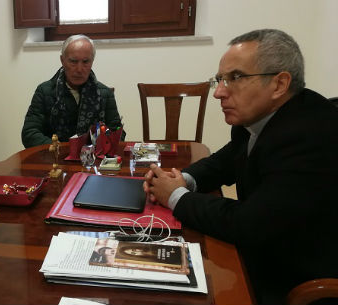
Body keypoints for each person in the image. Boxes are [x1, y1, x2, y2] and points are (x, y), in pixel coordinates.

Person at [143, 29, 338, 304]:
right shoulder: (261, 118)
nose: (219, 92)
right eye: (220, 79)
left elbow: (248, 224)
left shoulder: (308, 136)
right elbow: (225, 160)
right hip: (265, 250)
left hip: (295, 281)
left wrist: (175, 196)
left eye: (235, 78)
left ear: (279, 84)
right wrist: (183, 178)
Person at [21, 34, 124, 148]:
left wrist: (101, 143)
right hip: (55, 159)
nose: (79, 69)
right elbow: (29, 134)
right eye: (73, 61)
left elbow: (117, 132)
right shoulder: (45, 91)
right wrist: (64, 149)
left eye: (85, 62)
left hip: (93, 160)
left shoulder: (104, 93)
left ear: (92, 62)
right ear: (62, 60)